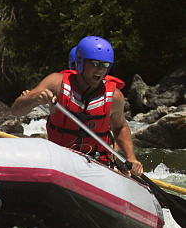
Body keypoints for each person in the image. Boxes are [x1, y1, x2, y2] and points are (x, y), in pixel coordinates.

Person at [10, 36, 143, 176]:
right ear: (80, 62)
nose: (100, 70)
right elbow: (16, 111)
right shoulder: (56, 83)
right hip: (60, 158)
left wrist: (131, 158)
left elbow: (120, 126)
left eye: (105, 65)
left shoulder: (115, 97)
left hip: (97, 163)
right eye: (95, 63)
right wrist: (34, 99)